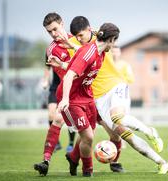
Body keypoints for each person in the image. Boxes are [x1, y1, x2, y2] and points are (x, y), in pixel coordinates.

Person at [57, 16, 168, 175]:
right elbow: (77, 62)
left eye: (82, 35)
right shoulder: (81, 46)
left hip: (115, 85)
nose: (79, 38)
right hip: (97, 98)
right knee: (125, 135)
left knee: (117, 117)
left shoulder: (96, 39)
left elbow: (91, 47)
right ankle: (162, 162)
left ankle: (150, 131)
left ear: (90, 30)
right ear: (110, 40)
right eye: (114, 41)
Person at [57, 22, 120, 177]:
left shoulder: (100, 53)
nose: (114, 45)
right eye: (115, 41)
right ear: (110, 40)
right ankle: (87, 171)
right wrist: (65, 99)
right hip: (72, 98)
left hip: (87, 96)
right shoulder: (90, 53)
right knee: (89, 137)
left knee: (89, 132)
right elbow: (70, 75)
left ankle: (73, 158)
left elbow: (78, 63)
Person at [33, 12, 78, 176]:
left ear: (62, 24)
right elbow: (65, 75)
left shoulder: (78, 38)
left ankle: (114, 157)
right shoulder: (52, 50)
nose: (53, 34)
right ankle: (46, 161)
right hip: (69, 91)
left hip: (90, 91)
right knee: (57, 119)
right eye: (49, 32)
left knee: (109, 128)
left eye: (55, 29)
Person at [42, 55, 75, 152]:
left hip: (69, 86)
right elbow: (47, 66)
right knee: (51, 114)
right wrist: (45, 80)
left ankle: (71, 143)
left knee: (70, 116)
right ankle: (56, 143)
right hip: (55, 87)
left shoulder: (72, 46)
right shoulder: (51, 49)